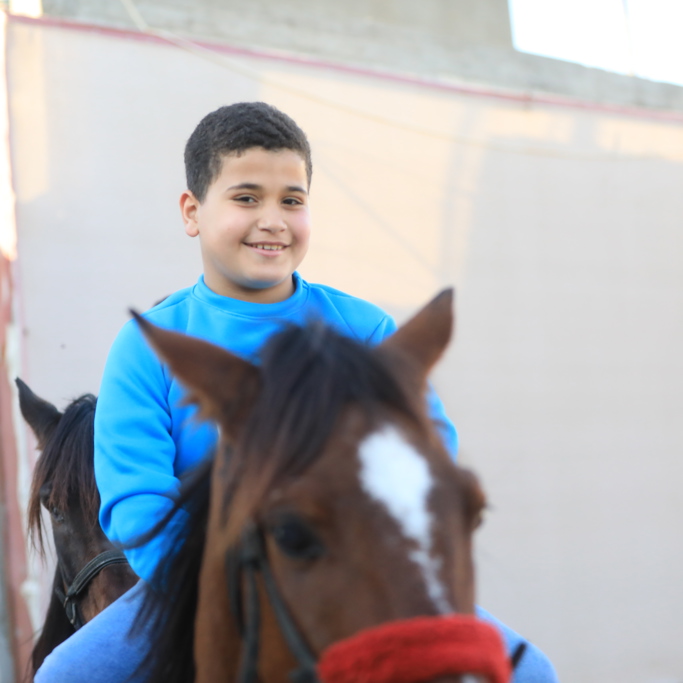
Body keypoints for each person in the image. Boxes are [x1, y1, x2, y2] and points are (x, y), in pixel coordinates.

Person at [36, 102, 558, 682]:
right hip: (200, 582)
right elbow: (137, 504)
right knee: (70, 674)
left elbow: (426, 450)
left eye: (292, 200)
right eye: (246, 198)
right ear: (192, 211)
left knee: (534, 672)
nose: (273, 219)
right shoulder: (146, 347)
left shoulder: (365, 330)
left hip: (370, 568)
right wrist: (224, 589)